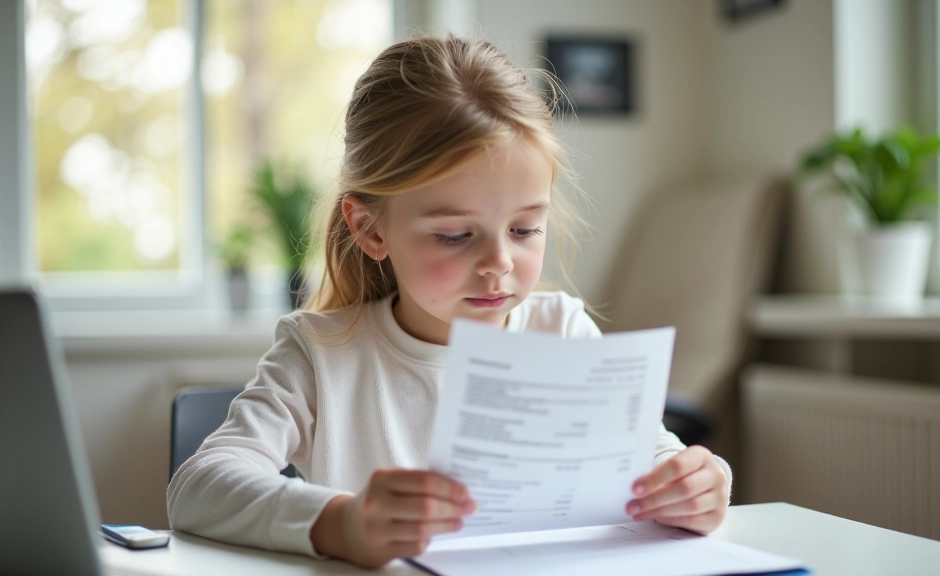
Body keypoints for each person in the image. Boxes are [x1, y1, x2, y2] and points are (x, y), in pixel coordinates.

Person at [167, 34, 732, 569]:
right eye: (457, 235)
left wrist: (698, 484)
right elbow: (199, 486)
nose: (499, 264)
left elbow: (657, 458)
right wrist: (342, 522)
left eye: (525, 230)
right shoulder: (321, 352)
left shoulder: (560, 330)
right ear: (370, 230)